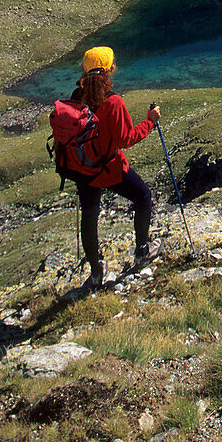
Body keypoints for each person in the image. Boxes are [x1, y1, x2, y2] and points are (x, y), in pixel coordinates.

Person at [72, 45, 162, 287]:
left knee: (89, 216)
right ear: (109, 70)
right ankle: (143, 250)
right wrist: (150, 122)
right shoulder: (113, 103)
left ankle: (95, 271)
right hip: (108, 169)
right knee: (143, 196)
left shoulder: (76, 97)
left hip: (83, 170)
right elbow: (126, 139)